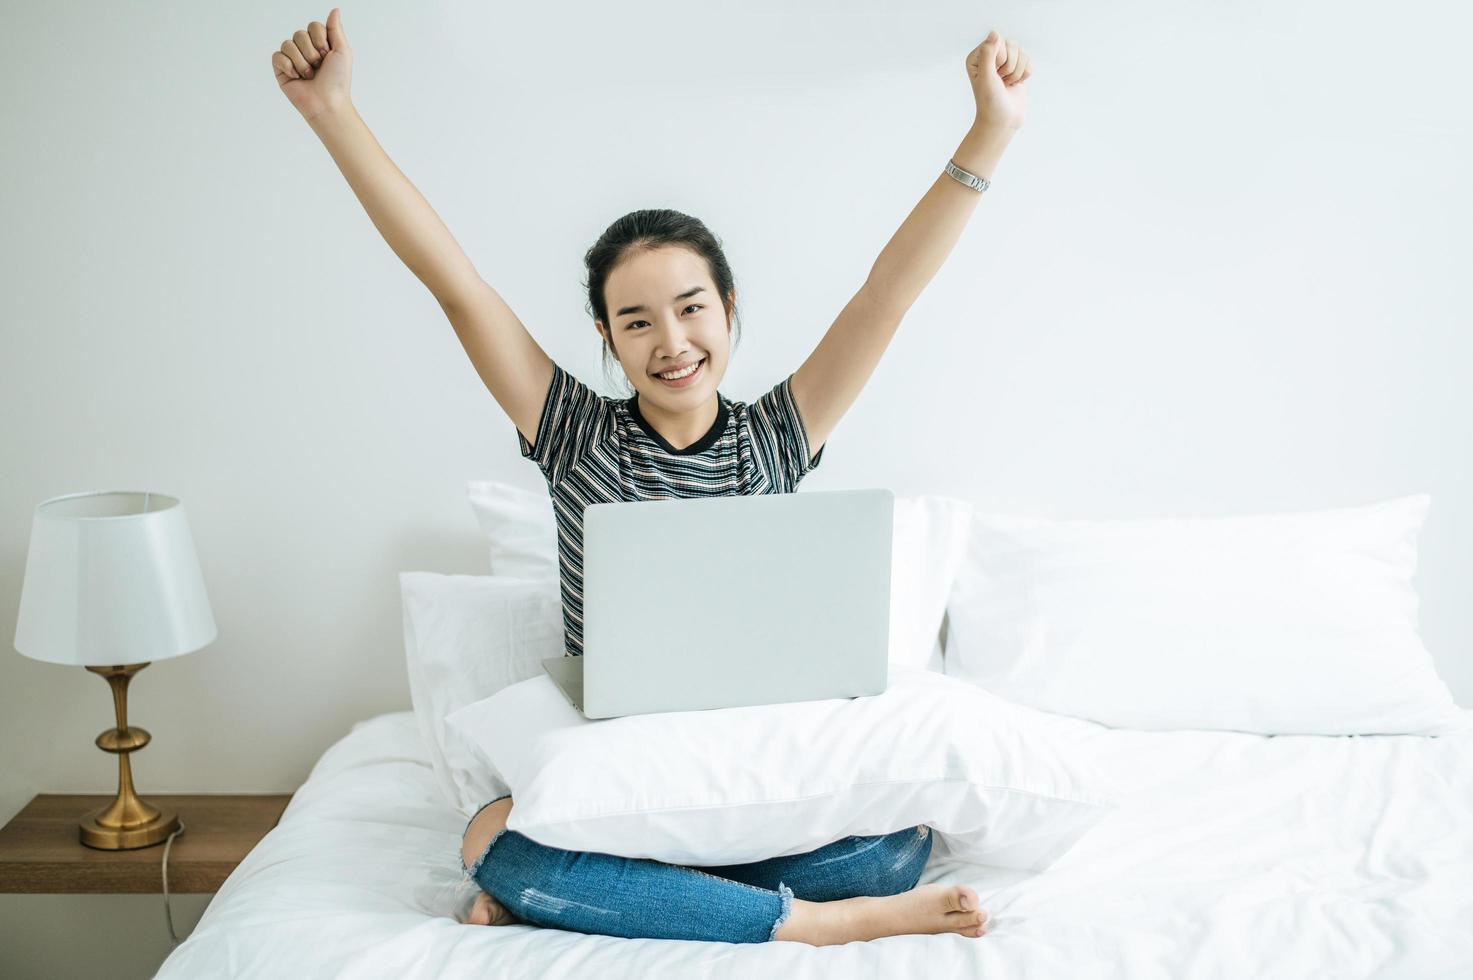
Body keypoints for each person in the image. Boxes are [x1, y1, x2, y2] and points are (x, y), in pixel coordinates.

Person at [272, 7, 1031, 944]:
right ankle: (812, 927)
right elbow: (456, 284)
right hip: (623, 768)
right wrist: (333, 112)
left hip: (751, 773)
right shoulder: (575, 435)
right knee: (487, 840)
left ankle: (655, 900)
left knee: (892, 846)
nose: (671, 343)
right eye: (636, 321)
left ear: (727, 308)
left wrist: (987, 132)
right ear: (606, 337)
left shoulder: (774, 439)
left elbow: (886, 295)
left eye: (690, 308)